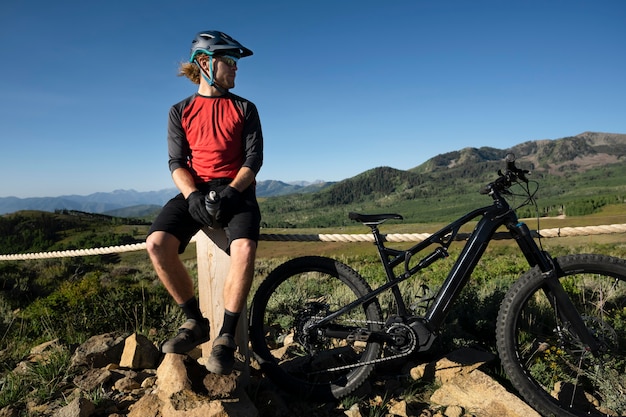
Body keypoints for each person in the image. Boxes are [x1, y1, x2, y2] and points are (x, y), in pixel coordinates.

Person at [146, 30, 263, 375]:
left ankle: (225, 337)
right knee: (156, 245)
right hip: (194, 190)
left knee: (243, 250)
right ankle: (195, 322)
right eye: (230, 61)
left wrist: (232, 191)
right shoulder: (179, 111)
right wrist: (192, 195)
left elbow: (253, 160)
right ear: (205, 63)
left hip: (237, 191)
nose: (236, 68)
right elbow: (176, 162)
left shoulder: (245, 108)